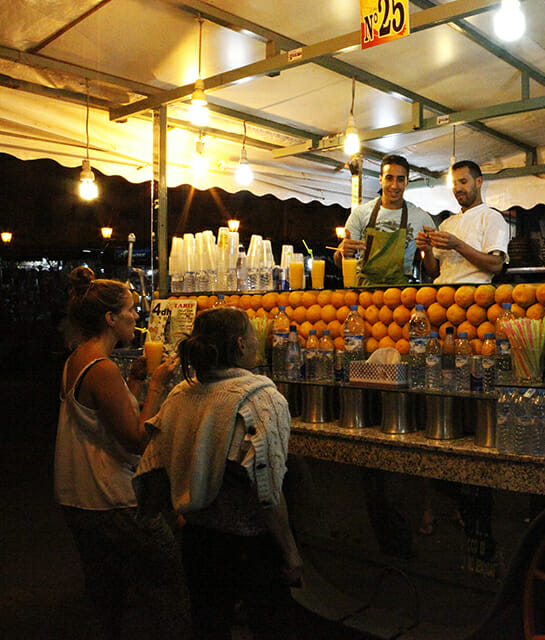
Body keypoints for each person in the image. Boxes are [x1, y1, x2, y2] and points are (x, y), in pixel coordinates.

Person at [134, 307, 302, 640]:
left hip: (198, 539)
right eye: (254, 336)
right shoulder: (263, 399)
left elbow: (153, 466)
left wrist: (181, 507)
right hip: (251, 544)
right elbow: (268, 490)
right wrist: (290, 551)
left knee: (208, 624)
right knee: (269, 624)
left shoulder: (181, 394)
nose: (257, 343)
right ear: (241, 344)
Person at [55, 266, 188, 640]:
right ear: (110, 318)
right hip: (111, 500)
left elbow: (99, 421)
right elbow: (134, 438)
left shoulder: (78, 359)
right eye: (130, 310)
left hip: (79, 499)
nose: (136, 316)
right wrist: (159, 385)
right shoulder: (101, 368)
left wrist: (135, 381)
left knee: (105, 593)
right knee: (168, 589)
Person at [335, 154, 435, 286]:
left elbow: (434, 271)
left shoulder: (421, 218)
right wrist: (341, 253)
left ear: (407, 182)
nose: (394, 185)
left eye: (400, 179)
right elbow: (339, 262)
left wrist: (427, 251)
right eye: (389, 178)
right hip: (364, 293)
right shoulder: (361, 213)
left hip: (400, 296)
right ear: (380, 179)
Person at [417, 160, 509, 284]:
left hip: (474, 295)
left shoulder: (492, 218)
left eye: (463, 182)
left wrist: (457, 245)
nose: (458, 188)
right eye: (454, 184)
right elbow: (434, 272)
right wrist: (427, 250)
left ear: (479, 182)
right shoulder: (446, 224)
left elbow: (496, 266)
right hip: (442, 294)